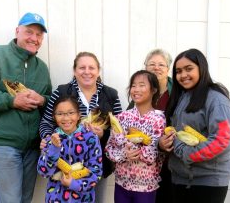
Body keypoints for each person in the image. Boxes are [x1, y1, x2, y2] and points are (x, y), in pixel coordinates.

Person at [0, 12, 52, 203]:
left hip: (33, 147)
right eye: (29, 32)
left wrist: (43, 100)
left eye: (39, 35)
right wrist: (11, 101)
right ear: (17, 31)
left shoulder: (42, 67)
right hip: (4, 144)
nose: (34, 38)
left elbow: (51, 102)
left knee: (25, 199)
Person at [39, 51, 123, 203]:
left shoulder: (110, 94)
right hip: (61, 161)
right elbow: (46, 122)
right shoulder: (61, 91)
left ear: (98, 71)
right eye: (82, 67)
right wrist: (48, 140)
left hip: (96, 161)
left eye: (91, 68)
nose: (87, 72)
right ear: (74, 70)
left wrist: (103, 134)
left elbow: (119, 129)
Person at [163, 48, 230, 203]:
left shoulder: (216, 99)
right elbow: (174, 132)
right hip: (180, 179)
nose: (183, 75)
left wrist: (183, 151)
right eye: (178, 71)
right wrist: (163, 143)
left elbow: (222, 141)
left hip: (208, 181)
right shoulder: (180, 98)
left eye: (189, 69)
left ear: (201, 68)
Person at [105, 70, 166, 203]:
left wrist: (134, 145)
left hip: (146, 186)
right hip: (121, 183)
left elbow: (156, 154)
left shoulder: (159, 119)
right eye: (133, 85)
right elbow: (109, 149)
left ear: (154, 90)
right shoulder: (122, 117)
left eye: (142, 85)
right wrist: (123, 155)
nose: (136, 89)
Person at [127, 48, 173, 203]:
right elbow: (129, 127)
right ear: (145, 67)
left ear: (168, 69)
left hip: (170, 162)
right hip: (143, 168)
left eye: (161, 64)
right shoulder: (140, 92)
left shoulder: (177, 93)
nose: (156, 67)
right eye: (152, 64)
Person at [37, 96, 103, 202]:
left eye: (71, 113)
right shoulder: (50, 140)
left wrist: (74, 184)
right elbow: (44, 172)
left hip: (83, 198)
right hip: (56, 197)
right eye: (60, 114)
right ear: (54, 117)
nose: (66, 118)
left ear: (78, 115)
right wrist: (54, 149)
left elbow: (96, 172)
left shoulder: (91, 138)